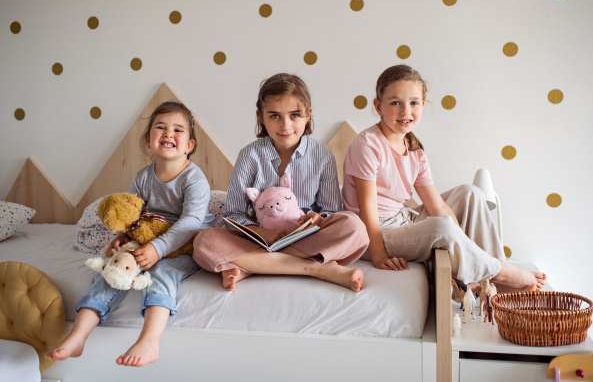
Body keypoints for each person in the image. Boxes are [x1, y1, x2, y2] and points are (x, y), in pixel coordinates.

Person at [342, 64, 546, 292]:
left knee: (470, 193)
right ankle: (503, 271)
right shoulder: (368, 143)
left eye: (414, 103)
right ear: (378, 106)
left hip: (402, 220)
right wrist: (379, 256)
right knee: (443, 227)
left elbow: (436, 204)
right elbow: (367, 208)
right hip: (374, 235)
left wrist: (466, 245)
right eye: (395, 102)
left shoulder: (415, 150)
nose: (405, 111)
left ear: (423, 105)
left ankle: (492, 272)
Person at [46, 101, 211, 367]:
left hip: (185, 242)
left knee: (163, 272)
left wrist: (158, 249)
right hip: (145, 238)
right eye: (161, 127)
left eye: (178, 130)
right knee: (111, 270)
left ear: (189, 145)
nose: (169, 134)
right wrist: (122, 237)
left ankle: (149, 340)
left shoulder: (193, 179)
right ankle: (78, 334)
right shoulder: (143, 177)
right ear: (149, 140)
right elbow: (132, 213)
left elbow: (191, 221)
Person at [193, 73, 369, 292]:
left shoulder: (322, 155)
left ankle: (253, 266)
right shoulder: (249, 155)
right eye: (275, 116)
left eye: (295, 115)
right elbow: (233, 215)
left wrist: (318, 218)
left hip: (307, 239)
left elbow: (330, 210)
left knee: (354, 227)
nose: (286, 125)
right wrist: (260, 232)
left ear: (308, 115)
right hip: (259, 239)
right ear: (261, 117)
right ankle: (317, 269)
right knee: (205, 241)